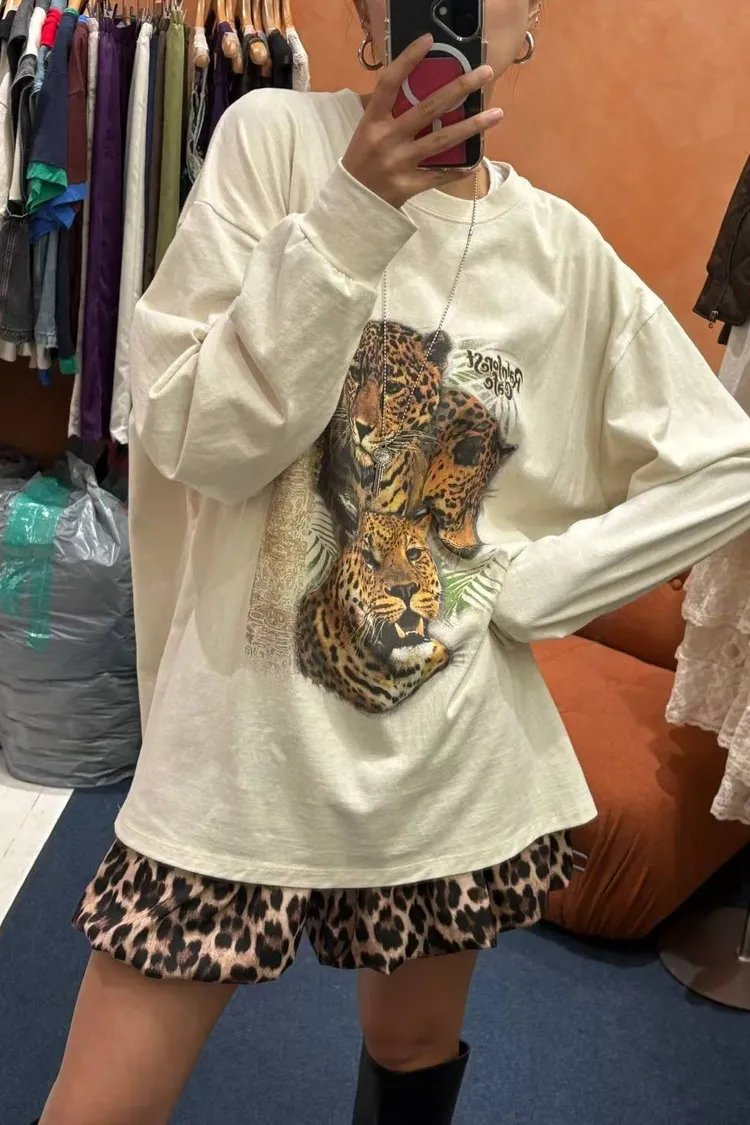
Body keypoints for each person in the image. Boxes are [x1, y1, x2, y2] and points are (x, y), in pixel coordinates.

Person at [37, 2, 750, 1123]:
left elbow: (729, 462)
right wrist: (352, 212)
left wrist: (542, 586)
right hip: (236, 751)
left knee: (413, 1054)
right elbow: (198, 441)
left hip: (446, 761)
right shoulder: (274, 143)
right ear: (370, 16)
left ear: (528, 23)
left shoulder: (561, 252)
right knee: (101, 1102)